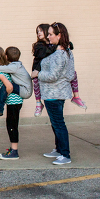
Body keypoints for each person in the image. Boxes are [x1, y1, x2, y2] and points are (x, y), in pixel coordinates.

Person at [34, 22, 75, 165]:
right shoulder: (67, 52)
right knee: (56, 123)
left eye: (51, 34)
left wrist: (37, 74)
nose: (48, 36)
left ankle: (65, 154)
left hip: (54, 94)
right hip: (56, 93)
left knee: (58, 124)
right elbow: (70, 74)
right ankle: (59, 149)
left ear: (60, 35)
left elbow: (52, 76)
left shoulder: (59, 54)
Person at [31, 24, 86, 117]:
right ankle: (38, 103)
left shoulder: (59, 50)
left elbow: (53, 75)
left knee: (58, 123)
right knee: (36, 84)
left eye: (41, 31)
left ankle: (76, 96)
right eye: (37, 31)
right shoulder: (39, 45)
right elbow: (44, 52)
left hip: (53, 91)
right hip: (38, 68)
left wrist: (66, 44)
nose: (39, 33)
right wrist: (57, 47)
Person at [0, 46, 30, 160]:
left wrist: (1, 100)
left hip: (14, 101)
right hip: (13, 101)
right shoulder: (2, 69)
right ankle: (13, 150)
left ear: (2, 56)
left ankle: (14, 152)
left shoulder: (1, 71)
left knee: (12, 125)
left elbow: (9, 86)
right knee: (11, 124)